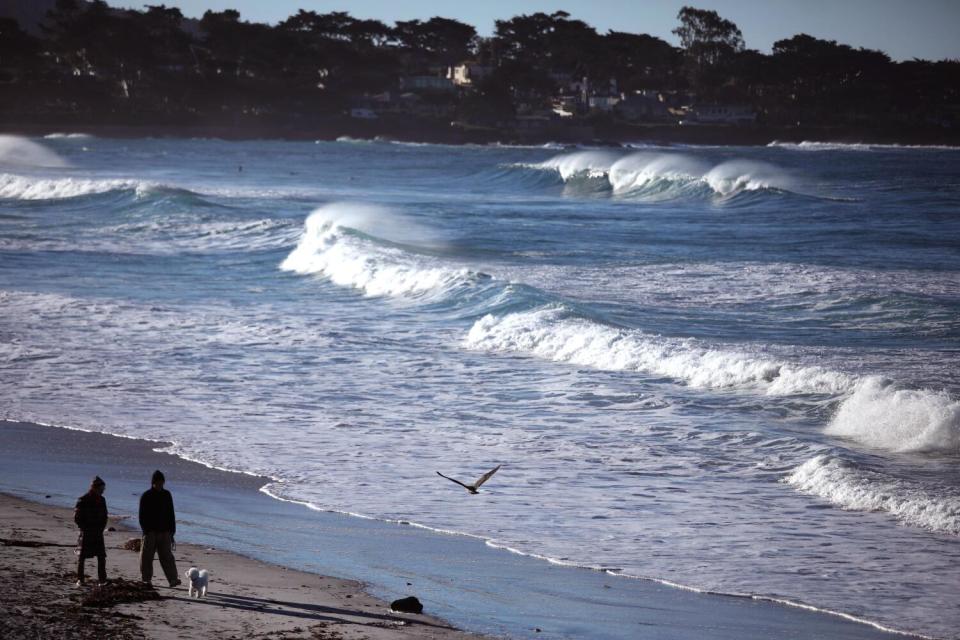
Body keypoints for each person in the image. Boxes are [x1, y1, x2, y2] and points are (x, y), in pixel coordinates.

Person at [138, 469, 181, 587]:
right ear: (153, 482)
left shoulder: (167, 495)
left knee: (167, 556)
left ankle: (173, 579)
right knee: (147, 557)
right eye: (158, 482)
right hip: (150, 532)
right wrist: (146, 531)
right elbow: (141, 516)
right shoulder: (146, 496)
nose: (160, 485)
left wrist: (172, 531)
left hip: (165, 532)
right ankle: (146, 579)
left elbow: (171, 514)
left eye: (162, 482)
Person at [74, 475, 108, 587]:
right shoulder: (83, 500)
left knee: (101, 556)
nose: (102, 491)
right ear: (94, 487)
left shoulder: (102, 500)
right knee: (82, 556)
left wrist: (101, 528)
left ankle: (102, 580)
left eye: (103, 489)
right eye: (101, 489)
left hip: (98, 532)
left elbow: (105, 517)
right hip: (86, 531)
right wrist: (85, 528)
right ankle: (80, 579)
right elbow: (77, 518)